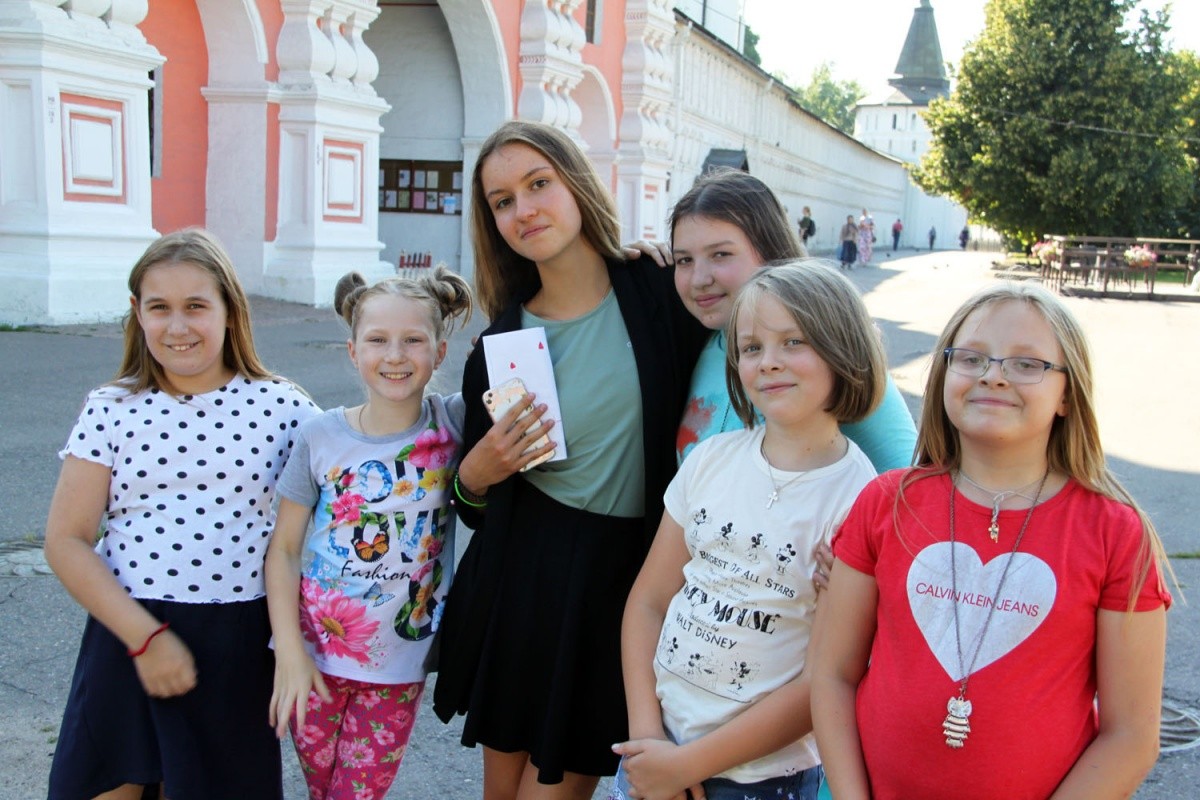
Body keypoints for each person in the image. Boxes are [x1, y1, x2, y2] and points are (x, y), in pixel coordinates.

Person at [431, 120, 709, 799]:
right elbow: (471, 507)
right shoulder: (500, 344)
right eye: (502, 201)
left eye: (538, 184)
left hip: (618, 588)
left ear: (577, 184)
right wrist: (476, 475)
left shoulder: (656, 292)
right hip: (522, 581)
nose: (523, 210)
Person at [811, 282, 1173, 800]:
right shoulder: (886, 503)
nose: (993, 375)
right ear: (943, 376)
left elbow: (1131, 736)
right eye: (971, 358)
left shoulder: (1114, 533)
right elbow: (832, 675)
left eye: (1026, 364)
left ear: (1067, 395)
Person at [44, 228, 321, 800]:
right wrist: (144, 639)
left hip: (237, 642)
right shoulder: (111, 407)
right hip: (129, 631)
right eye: (159, 307)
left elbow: (354, 485)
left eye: (196, 306)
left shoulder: (284, 407)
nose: (177, 326)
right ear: (136, 312)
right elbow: (66, 541)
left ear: (229, 310)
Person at [612, 262, 884, 800]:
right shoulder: (710, 459)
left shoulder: (860, 500)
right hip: (655, 755)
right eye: (752, 347)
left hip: (762, 780)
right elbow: (648, 602)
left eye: (793, 341)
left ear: (844, 348)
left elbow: (824, 679)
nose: (769, 362)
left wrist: (686, 766)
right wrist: (647, 739)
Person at [265, 267, 476, 800]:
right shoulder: (319, 436)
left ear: (440, 353)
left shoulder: (454, 423)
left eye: (413, 340)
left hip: (397, 666)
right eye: (377, 339)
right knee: (322, 789)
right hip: (314, 656)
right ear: (352, 351)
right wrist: (288, 650)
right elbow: (284, 549)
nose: (395, 355)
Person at [657, 169, 915, 474]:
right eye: (684, 260)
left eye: (721, 254)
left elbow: (906, 480)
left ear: (771, 251)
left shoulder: (828, 350)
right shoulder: (701, 344)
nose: (699, 279)